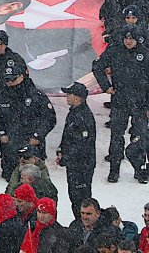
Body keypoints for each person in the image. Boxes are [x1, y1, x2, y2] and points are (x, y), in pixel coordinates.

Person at [92, 28, 149, 183]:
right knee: (116, 136)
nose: (128, 41)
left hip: (140, 103)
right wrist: (106, 86)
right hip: (120, 101)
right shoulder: (115, 51)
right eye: (126, 38)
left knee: (140, 137)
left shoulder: (145, 55)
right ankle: (114, 170)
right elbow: (97, 66)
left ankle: (139, 169)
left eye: (131, 39)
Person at [56, 81, 96, 216]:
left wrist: (66, 157)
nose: (67, 97)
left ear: (78, 97)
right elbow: (67, 135)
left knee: (82, 199)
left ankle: (85, 224)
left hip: (82, 165)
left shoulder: (84, 116)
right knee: (74, 196)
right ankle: (79, 224)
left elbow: (82, 145)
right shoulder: (74, 112)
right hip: (74, 164)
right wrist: (61, 150)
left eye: (69, 94)